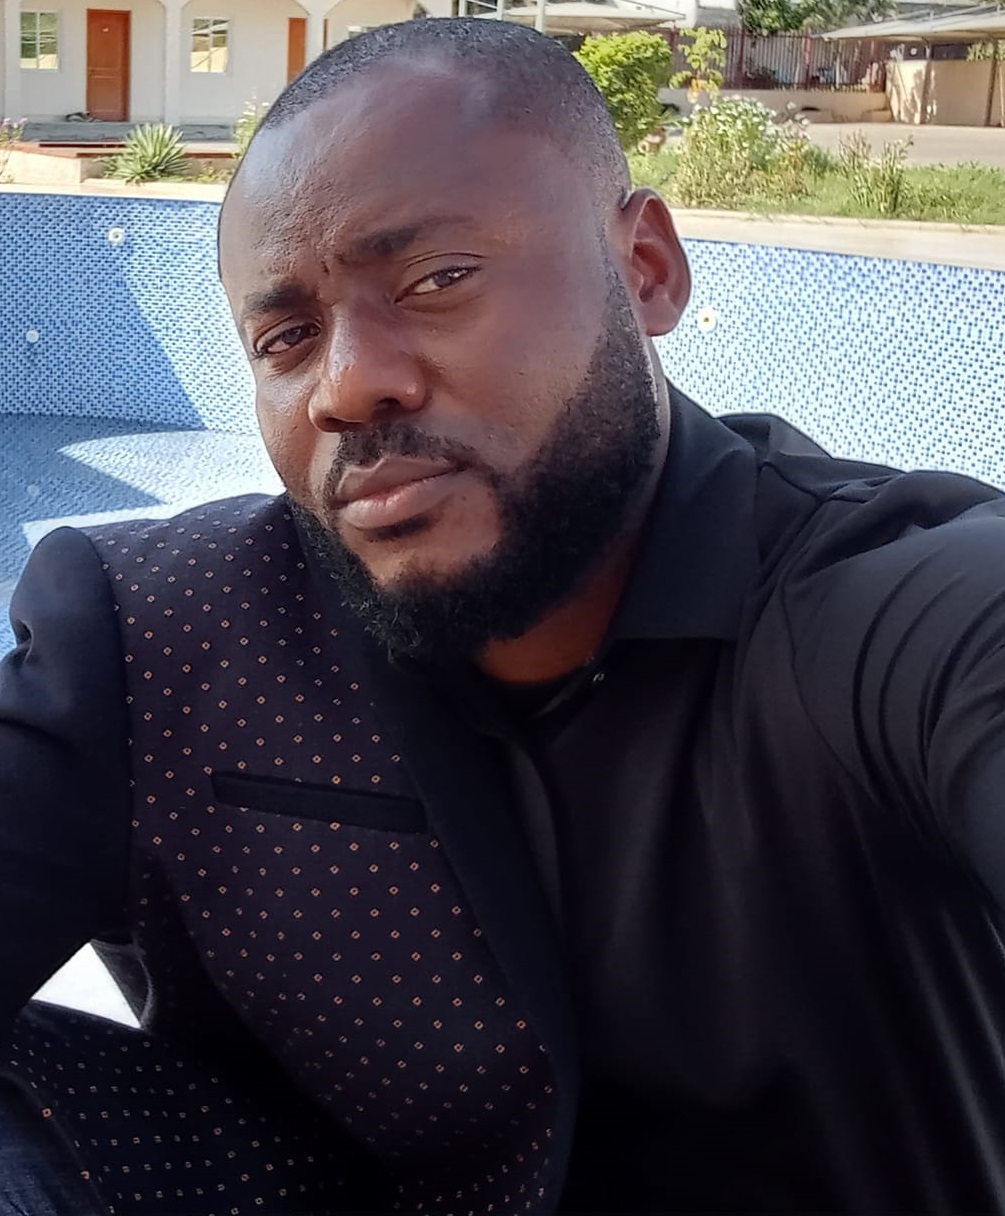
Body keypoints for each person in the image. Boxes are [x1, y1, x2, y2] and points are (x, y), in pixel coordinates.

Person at [1, 16, 1004, 1216]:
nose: (348, 384)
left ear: (646, 272)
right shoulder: (157, 637)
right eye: (288, 336)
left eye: (438, 280)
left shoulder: (884, 611)